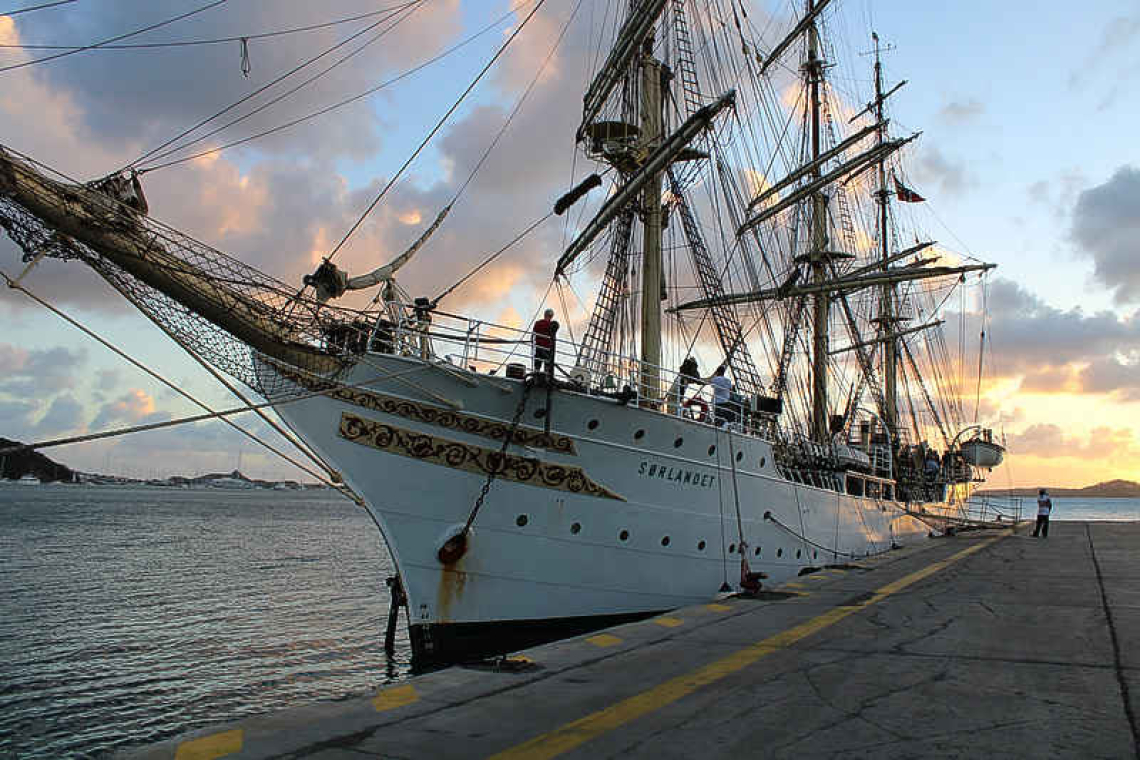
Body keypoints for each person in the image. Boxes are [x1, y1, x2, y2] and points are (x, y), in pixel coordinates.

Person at [532, 308, 559, 377]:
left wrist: (533, 342)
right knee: (547, 365)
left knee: (537, 364)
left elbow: (533, 334)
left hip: (538, 347)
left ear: (544, 315)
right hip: (547, 349)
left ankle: (535, 376)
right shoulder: (551, 325)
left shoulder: (538, 323)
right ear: (551, 316)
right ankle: (546, 377)